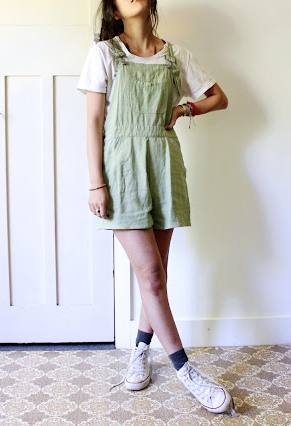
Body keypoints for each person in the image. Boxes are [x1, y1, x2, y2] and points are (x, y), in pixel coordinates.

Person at [77, 0, 235, 416]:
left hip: (164, 166)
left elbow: (219, 98)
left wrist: (185, 108)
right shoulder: (104, 54)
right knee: (150, 273)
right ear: (113, 9)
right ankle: (186, 370)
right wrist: (96, 183)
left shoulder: (174, 55)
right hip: (122, 171)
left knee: (156, 276)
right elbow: (93, 122)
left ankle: (140, 351)